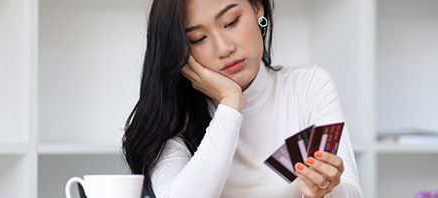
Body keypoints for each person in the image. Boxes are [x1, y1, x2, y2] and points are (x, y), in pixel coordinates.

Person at [121, 0, 362, 197]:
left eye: (231, 22)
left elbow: (350, 190)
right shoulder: (171, 118)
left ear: (258, 8)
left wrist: (326, 192)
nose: (224, 48)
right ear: (179, 50)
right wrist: (230, 101)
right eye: (198, 39)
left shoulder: (308, 87)